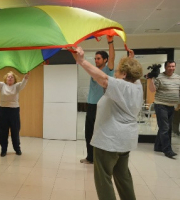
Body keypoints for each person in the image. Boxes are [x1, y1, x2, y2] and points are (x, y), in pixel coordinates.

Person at [72, 46, 143, 200]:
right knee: (123, 177)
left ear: (124, 74)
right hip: (125, 142)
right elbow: (133, 75)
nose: (114, 74)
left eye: (117, 71)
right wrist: (131, 61)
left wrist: (82, 61)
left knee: (103, 180)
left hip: (109, 141)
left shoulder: (121, 86)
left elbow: (103, 79)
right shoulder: (138, 86)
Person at [80, 36, 115, 164]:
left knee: (101, 133)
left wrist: (110, 41)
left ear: (105, 60)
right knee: (89, 132)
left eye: (98, 58)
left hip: (102, 106)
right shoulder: (94, 71)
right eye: (95, 58)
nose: (96, 60)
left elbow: (112, 57)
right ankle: (90, 157)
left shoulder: (108, 70)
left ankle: (102, 159)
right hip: (91, 105)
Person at [0, 69, 29, 157]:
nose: (10, 78)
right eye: (8, 76)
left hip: (14, 111)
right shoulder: (2, 85)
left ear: (14, 79)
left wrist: (26, 76)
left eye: (11, 77)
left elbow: (23, 83)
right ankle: (3, 150)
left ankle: (17, 149)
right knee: (3, 131)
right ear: (6, 78)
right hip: (3, 110)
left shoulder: (17, 86)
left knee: (15, 130)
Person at [149, 60, 179, 158]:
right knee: (165, 128)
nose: (171, 68)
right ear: (165, 67)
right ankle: (167, 150)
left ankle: (158, 146)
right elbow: (152, 90)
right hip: (161, 105)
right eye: (169, 66)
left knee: (165, 127)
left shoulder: (178, 77)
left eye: (173, 66)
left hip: (172, 106)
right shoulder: (159, 77)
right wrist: (151, 78)